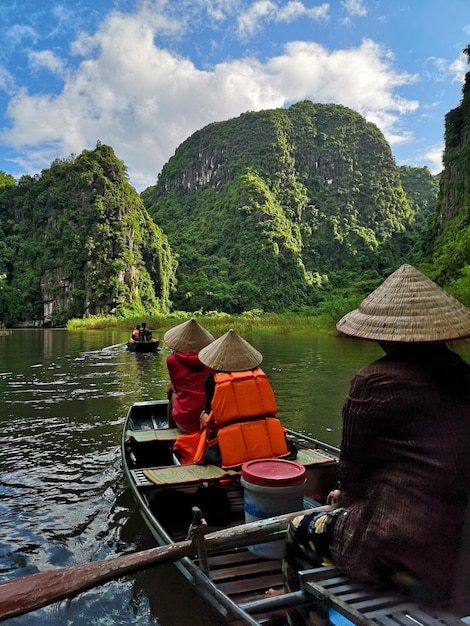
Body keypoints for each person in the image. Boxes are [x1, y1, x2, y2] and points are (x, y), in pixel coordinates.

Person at [282, 264, 470, 615]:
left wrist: (345, 497)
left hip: (400, 548)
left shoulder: (374, 381)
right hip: (459, 547)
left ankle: (301, 616)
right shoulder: (463, 375)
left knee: (297, 530)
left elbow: (353, 472)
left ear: (383, 335)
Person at [195, 329, 291, 469]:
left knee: (204, 417)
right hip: (267, 445)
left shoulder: (213, 380)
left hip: (230, 453)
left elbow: (210, 416)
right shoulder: (259, 376)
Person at [164, 318, 215, 433]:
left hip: (186, 424)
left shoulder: (171, 360)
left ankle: (171, 428)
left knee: (172, 391)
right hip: (210, 421)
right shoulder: (211, 359)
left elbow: (175, 386)